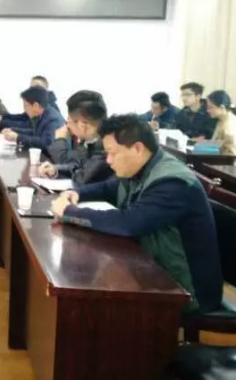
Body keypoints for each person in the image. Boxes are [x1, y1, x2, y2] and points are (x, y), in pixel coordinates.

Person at [50, 114, 222, 314]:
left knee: (95, 297)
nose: (109, 160)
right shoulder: (141, 166)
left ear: (138, 148)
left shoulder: (172, 183)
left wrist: (69, 212)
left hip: (188, 290)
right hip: (155, 268)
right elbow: (108, 187)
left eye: (113, 153)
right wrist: (77, 193)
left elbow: (129, 223)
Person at [39, 90, 113, 186]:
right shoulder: (88, 140)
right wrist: (56, 169)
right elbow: (74, 163)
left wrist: (59, 139)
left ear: (82, 126)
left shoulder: (107, 147)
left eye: (69, 121)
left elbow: (81, 179)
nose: (67, 125)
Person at [206, 90, 236, 166]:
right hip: (225, 163)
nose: (207, 110)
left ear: (222, 107)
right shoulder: (223, 119)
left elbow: (232, 157)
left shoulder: (231, 126)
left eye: (210, 107)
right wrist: (198, 147)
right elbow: (217, 145)